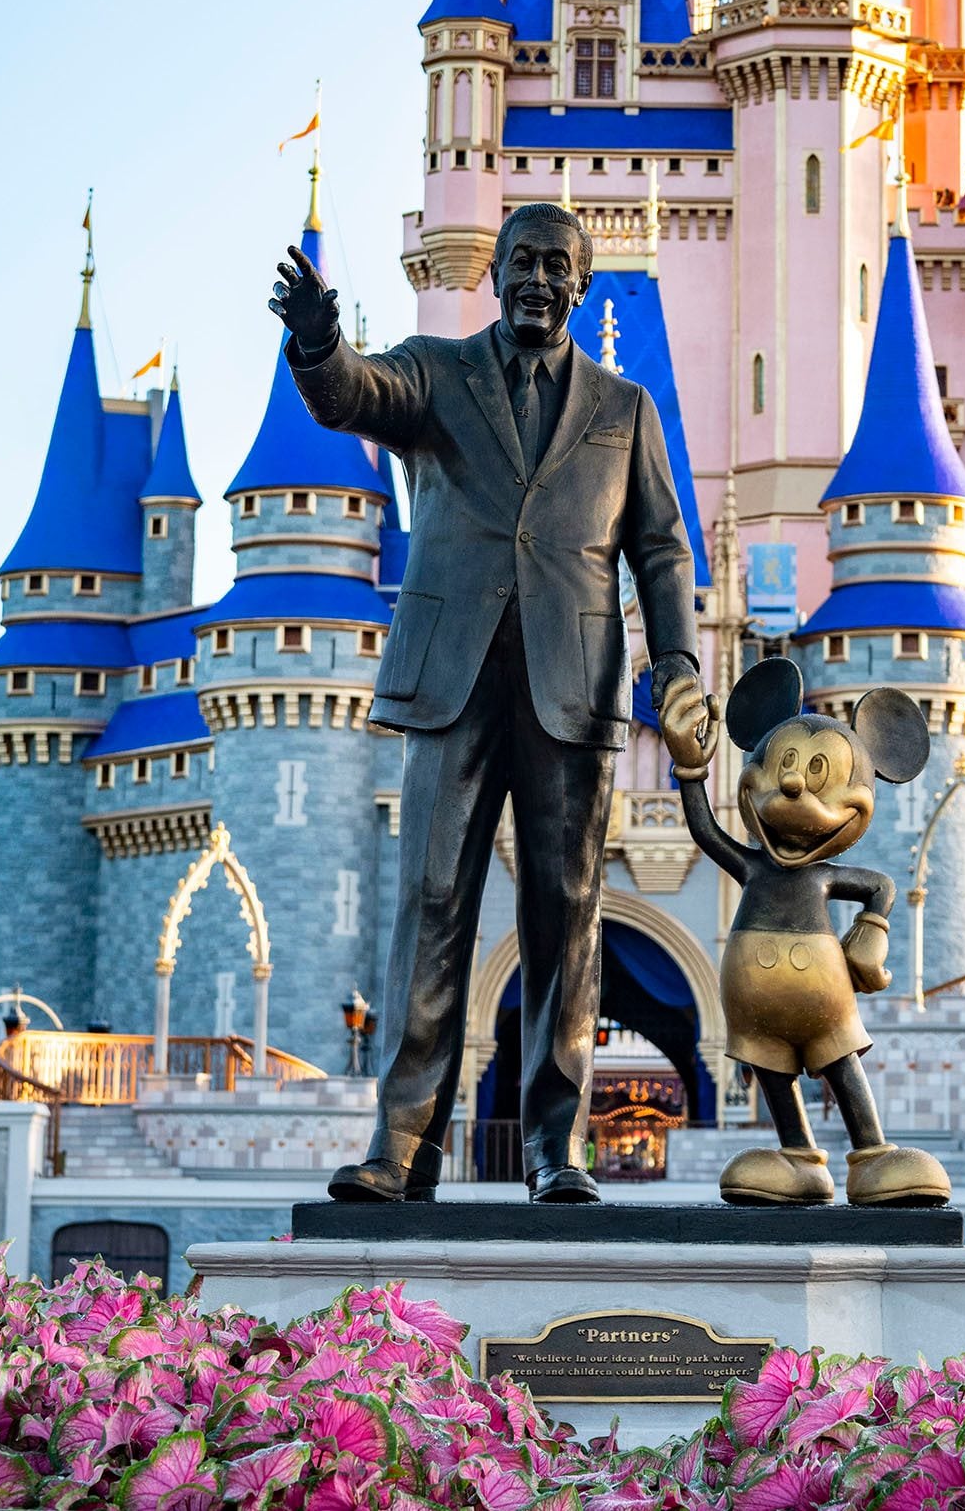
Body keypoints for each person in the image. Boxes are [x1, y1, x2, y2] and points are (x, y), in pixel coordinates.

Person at [270, 201, 712, 1204]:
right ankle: (404, 1142)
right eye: (523, 260)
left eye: (559, 264)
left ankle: (560, 1146)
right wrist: (317, 338)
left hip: (575, 690)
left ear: (581, 283)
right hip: (452, 680)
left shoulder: (624, 408)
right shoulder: (435, 371)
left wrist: (678, 661)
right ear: (495, 270)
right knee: (432, 906)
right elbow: (351, 395)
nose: (538, 279)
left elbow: (661, 548)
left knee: (567, 919)